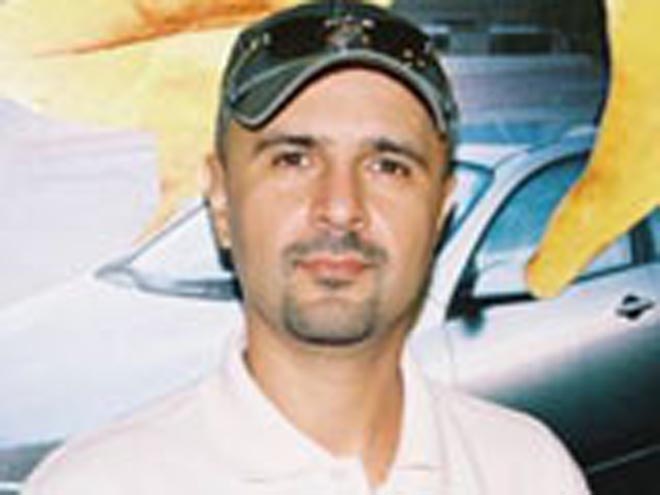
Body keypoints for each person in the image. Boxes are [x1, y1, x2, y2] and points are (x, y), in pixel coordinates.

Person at [23, 1, 591, 494]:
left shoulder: (528, 472)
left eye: (388, 165)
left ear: (441, 210)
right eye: (293, 159)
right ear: (220, 199)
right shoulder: (99, 485)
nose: (340, 206)